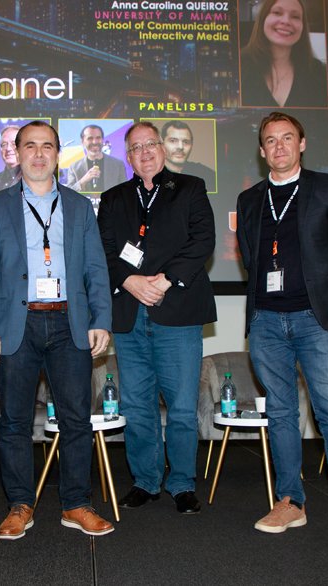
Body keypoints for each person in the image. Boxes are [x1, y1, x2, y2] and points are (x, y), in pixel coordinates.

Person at [235, 112, 328, 551]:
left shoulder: (327, 187)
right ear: (262, 151)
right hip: (266, 321)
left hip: (316, 321)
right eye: (270, 140)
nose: (279, 146)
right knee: (280, 414)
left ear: (302, 143)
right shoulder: (251, 199)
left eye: (287, 138)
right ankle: (291, 501)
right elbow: (250, 258)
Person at [0, 121, 114, 540]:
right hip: (17, 324)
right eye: (30, 146)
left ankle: (76, 504)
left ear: (57, 154)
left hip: (70, 322)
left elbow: (95, 268)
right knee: (15, 420)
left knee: (76, 419)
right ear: (17, 154)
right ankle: (20, 505)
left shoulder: (79, 206)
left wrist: (101, 319)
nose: (38, 154)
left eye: (47, 146)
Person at [97, 121, 216, 515]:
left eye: (150, 144)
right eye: (135, 147)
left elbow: (202, 241)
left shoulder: (191, 189)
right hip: (129, 316)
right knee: (136, 405)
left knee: (181, 406)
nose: (144, 152)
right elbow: (103, 251)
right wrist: (130, 281)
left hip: (177, 312)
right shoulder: (113, 199)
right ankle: (145, 480)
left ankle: (181, 483)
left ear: (162, 149)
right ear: (128, 157)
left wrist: (164, 281)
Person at [240, 0, 327, 108]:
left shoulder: (317, 71)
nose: (286, 21)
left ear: (303, 27)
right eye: (277, 13)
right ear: (263, 19)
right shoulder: (238, 65)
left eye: (295, 17)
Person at [66, 124, 126, 193]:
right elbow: (67, 194)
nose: (94, 142)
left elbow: (125, 192)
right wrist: (83, 181)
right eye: (90, 138)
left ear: (102, 140)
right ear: (82, 142)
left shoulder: (118, 165)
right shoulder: (74, 168)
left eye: (98, 138)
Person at [160, 120, 216, 190]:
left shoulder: (207, 175)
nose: (180, 147)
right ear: (162, 144)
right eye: (173, 141)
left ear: (192, 145)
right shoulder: (150, 174)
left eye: (185, 142)